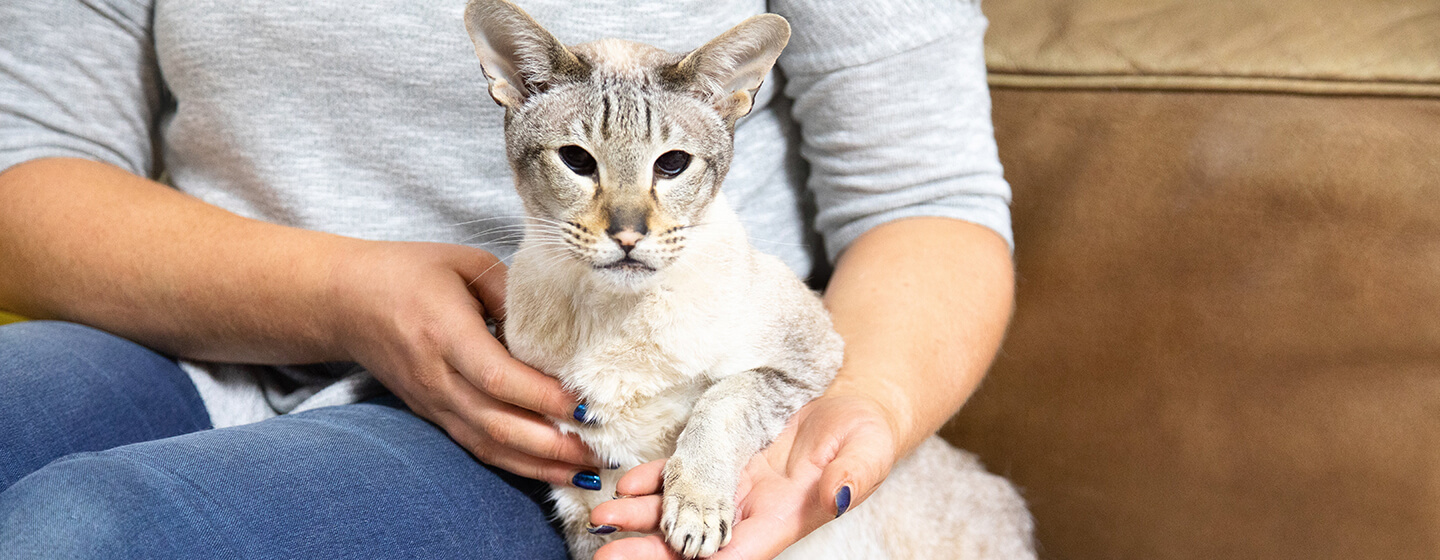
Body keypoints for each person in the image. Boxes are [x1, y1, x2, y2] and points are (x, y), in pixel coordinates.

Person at [0, 0, 1015, 558]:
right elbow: (27, 154)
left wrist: (816, 431)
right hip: (189, 324)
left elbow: (926, 191)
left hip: (560, 413)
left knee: (84, 533)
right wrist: (344, 292)